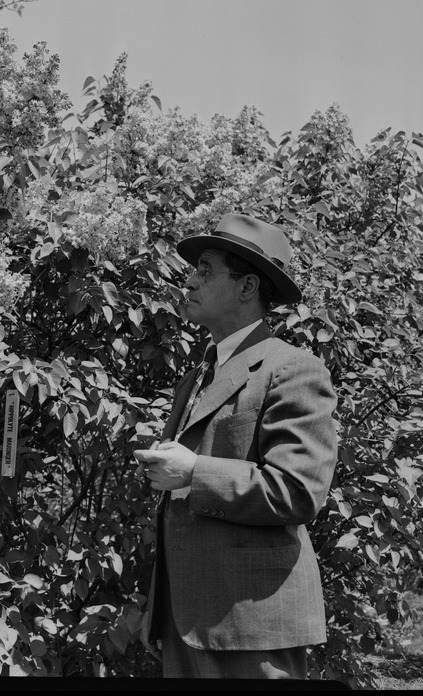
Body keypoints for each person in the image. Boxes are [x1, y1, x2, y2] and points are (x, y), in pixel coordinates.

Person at [134, 213, 339, 680]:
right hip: (186, 616)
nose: (188, 279)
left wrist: (192, 471)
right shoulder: (196, 377)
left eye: (205, 269)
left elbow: (299, 490)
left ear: (247, 287)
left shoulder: (293, 369)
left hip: (252, 623)